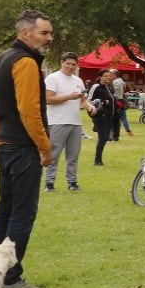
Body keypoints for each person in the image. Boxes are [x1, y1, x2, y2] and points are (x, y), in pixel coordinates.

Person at [0, 9, 54, 288]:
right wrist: (44, 147)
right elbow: (29, 110)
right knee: (22, 213)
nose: (49, 38)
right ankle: (10, 276)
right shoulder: (25, 62)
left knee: (6, 209)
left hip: (6, 144)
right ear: (25, 33)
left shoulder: (1, 59)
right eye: (44, 33)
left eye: (50, 33)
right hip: (23, 147)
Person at [43, 51, 89, 192]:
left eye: (73, 64)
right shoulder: (53, 78)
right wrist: (69, 96)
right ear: (61, 62)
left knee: (73, 155)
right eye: (68, 63)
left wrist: (89, 106)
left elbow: (82, 100)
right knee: (54, 154)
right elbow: (48, 99)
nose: (70, 66)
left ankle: (72, 182)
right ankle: (49, 182)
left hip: (75, 122)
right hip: (57, 121)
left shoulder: (78, 81)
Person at [87, 70, 118, 165]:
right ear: (100, 77)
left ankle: (98, 159)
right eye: (106, 76)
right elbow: (89, 100)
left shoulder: (107, 87)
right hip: (100, 115)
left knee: (104, 138)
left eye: (110, 76)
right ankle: (97, 160)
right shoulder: (96, 86)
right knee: (103, 137)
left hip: (109, 115)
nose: (108, 77)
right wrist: (102, 101)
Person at [111, 72, 132, 139]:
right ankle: (129, 132)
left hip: (116, 101)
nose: (110, 76)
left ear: (115, 75)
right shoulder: (122, 82)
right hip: (121, 101)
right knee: (123, 118)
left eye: (111, 74)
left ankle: (114, 132)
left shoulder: (115, 82)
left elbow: (113, 92)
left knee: (116, 118)